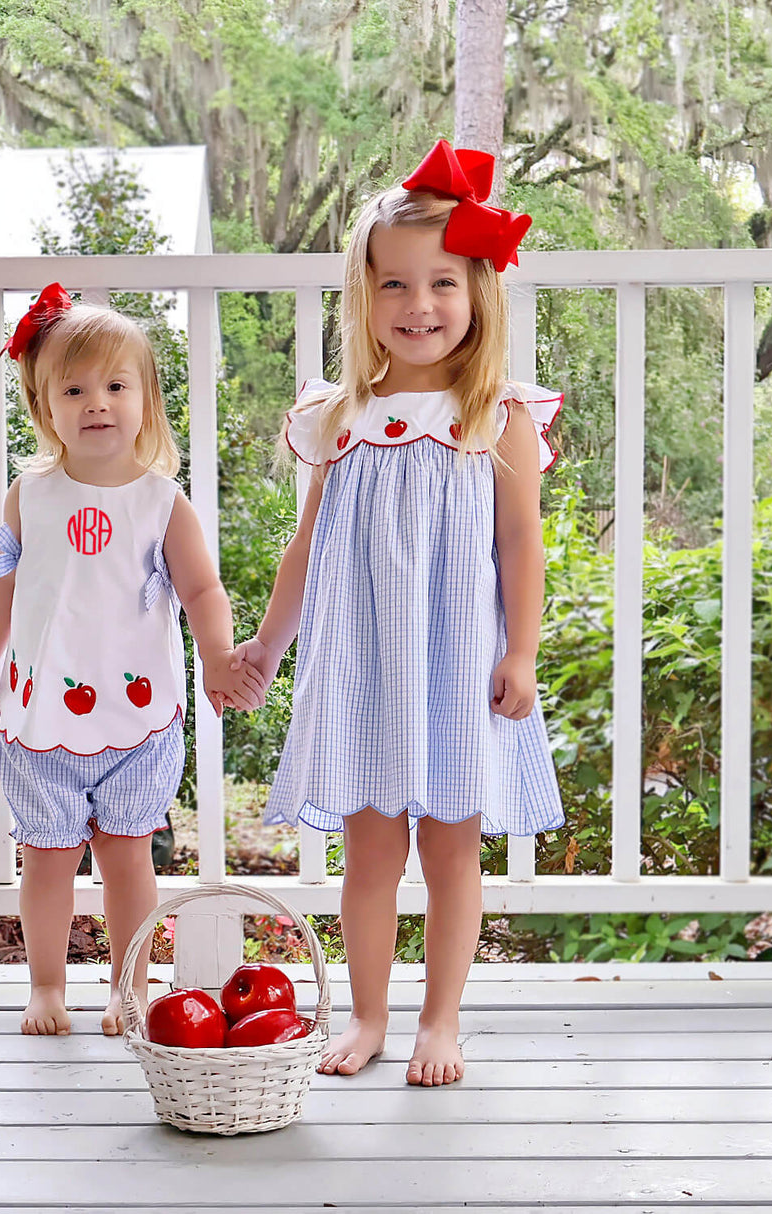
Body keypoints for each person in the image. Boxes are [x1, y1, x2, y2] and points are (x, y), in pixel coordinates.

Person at [231, 141, 565, 1086]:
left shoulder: (496, 415)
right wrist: (266, 641)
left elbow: (518, 546)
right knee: (370, 852)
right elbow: (306, 549)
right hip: (364, 666)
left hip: (460, 662)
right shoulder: (338, 416)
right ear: (364, 297)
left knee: (453, 849)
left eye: (442, 284)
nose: (419, 307)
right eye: (395, 286)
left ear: (478, 292)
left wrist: (523, 653)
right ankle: (371, 1015)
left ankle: (442, 1021)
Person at [0, 284, 264, 1037]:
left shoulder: (162, 501)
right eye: (74, 389)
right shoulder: (27, 497)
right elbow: (0, 593)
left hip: (135, 717)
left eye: (115, 385)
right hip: (40, 716)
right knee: (48, 862)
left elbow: (201, 589)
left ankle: (129, 984)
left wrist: (221, 657)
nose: (96, 402)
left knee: (129, 859)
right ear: (45, 407)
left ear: (144, 398)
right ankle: (46, 987)